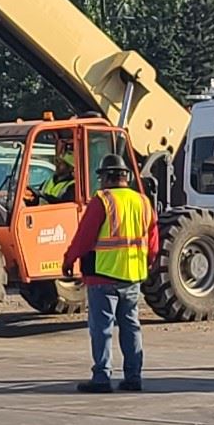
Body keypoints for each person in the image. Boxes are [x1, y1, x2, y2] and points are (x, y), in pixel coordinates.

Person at [63, 155, 158, 393]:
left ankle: (102, 377)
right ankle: (133, 377)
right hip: (132, 276)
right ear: (125, 176)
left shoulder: (102, 200)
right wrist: (147, 264)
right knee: (131, 327)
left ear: (106, 177)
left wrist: (69, 259)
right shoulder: (143, 202)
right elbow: (153, 242)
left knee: (102, 328)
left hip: (102, 275)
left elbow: (84, 237)